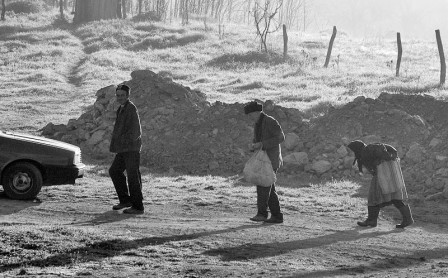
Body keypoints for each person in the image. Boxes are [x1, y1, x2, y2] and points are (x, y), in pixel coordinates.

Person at [347, 140, 414, 228]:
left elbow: (372, 167)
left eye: (352, 150)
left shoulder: (365, 153)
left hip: (382, 174)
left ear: (356, 149)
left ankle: (371, 220)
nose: (351, 152)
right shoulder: (370, 149)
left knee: (373, 197)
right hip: (390, 172)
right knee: (394, 197)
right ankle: (408, 219)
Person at [244, 101, 285, 224]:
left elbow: (281, 137)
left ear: (256, 112)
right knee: (269, 188)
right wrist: (255, 145)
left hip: (270, 159)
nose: (250, 118)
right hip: (264, 159)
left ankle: (262, 214)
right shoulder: (259, 122)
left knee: (263, 186)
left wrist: (262, 144)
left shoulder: (270, 121)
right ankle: (277, 216)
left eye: (251, 115)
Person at [109, 84, 144, 214]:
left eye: (122, 95)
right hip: (124, 149)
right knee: (114, 171)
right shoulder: (122, 109)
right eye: (118, 95)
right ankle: (125, 201)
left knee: (132, 177)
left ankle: (138, 207)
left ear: (128, 96)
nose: (120, 98)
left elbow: (136, 132)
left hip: (131, 149)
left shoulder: (131, 109)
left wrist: (123, 142)